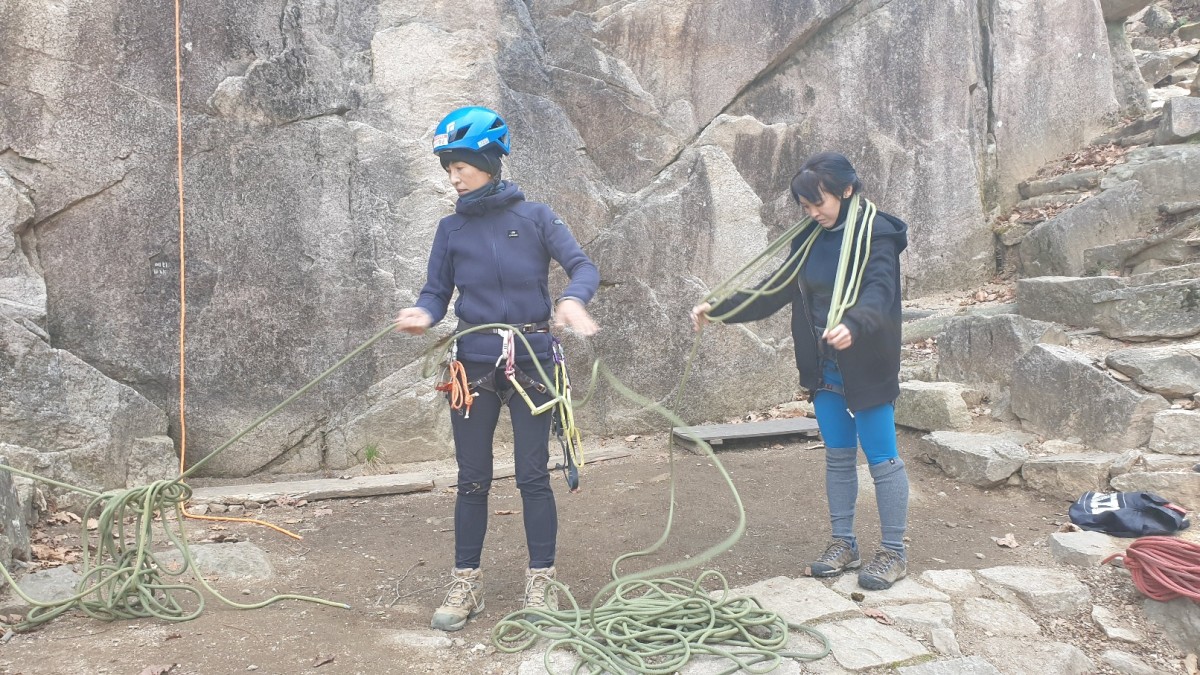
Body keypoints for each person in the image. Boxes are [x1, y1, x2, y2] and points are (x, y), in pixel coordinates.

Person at [394, 106, 600, 630]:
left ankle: (542, 579)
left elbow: (582, 266)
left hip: (533, 362)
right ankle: (467, 580)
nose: (453, 176)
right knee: (471, 478)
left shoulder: (536, 218)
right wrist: (423, 314)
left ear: (488, 162)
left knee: (533, 475)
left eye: (461, 166)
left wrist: (572, 299)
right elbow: (436, 291)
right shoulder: (450, 229)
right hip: (473, 366)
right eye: (448, 168)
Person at [691, 151, 911, 590]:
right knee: (838, 457)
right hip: (825, 365)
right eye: (805, 207)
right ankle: (844, 543)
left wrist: (853, 324)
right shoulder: (808, 238)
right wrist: (720, 309)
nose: (812, 214)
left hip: (866, 363)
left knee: (883, 459)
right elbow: (774, 291)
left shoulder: (878, 233)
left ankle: (893, 552)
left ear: (846, 190)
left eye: (818, 203)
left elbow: (880, 290)